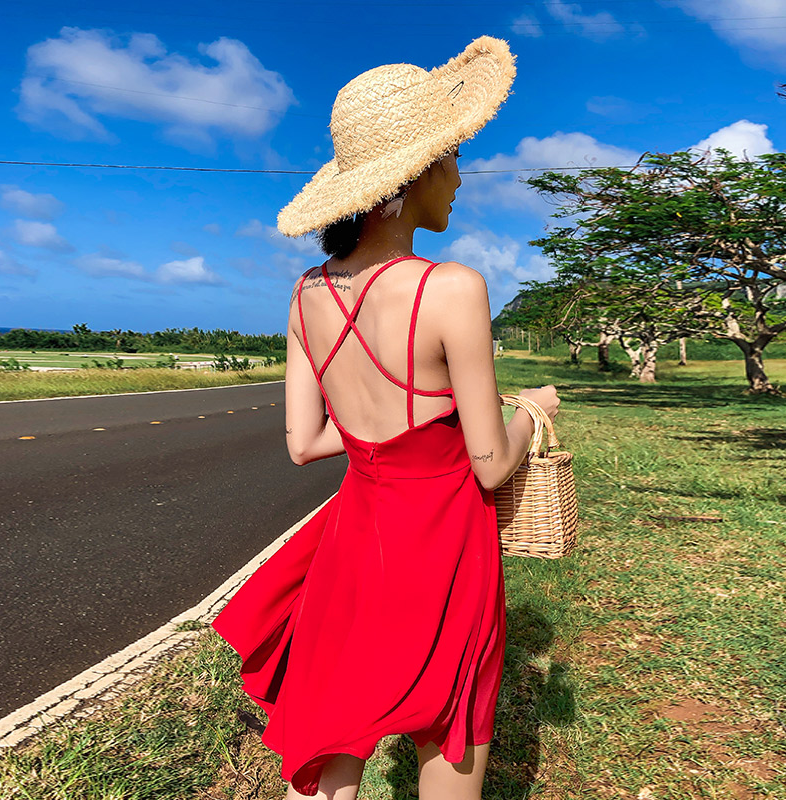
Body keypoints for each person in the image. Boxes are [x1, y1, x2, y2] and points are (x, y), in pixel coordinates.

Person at [211, 35, 560, 800]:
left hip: (353, 538)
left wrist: (392, 424)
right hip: (446, 544)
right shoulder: (454, 287)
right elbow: (492, 464)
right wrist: (531, 413)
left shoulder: (306, 291)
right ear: (417, 174)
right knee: (452, 720)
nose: (461, 178)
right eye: (454, 158)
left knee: (339, 722)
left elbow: (306, 444)